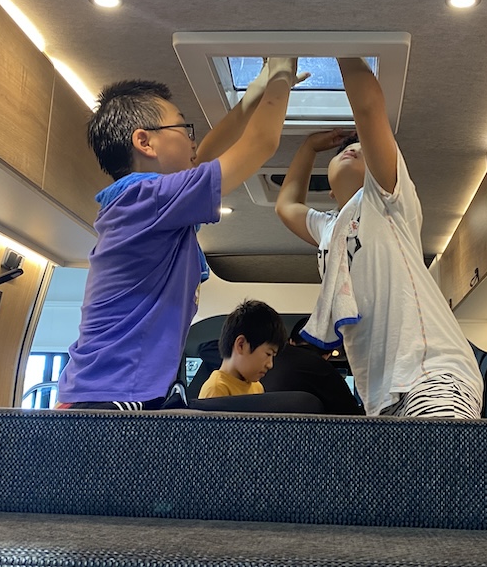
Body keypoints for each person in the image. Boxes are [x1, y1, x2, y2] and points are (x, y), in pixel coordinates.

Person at [57, 58, 305, 410]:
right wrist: (281, 74)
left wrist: (256, 92)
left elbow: (205, 155)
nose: (193, 140)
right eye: (183, 129)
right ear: (144, 141)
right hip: (115, 393)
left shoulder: (144, 203)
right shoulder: (148, 198)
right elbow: (261, 143)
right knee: (298, 406)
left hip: (114, 388)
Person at [275, 57, 483, 419]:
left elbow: (369, 108)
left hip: (431, 371)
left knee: (439, 455)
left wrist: (340, 45)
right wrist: (308, 147)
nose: (352, 147)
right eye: (342, 150)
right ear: (329, 190)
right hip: (380, 394)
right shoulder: (329, 229)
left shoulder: (386, 198)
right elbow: (286, 206)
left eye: (359, 146)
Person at [260, 316, 364, 415]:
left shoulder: (265, 363)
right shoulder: (324, 369)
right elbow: (352, 415)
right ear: (327, 355)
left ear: (291, 342)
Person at [198, 300, 285, 398]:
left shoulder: (257, 387)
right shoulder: (216, 389)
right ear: (241, 345)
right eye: (268, 354)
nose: (270, 365)